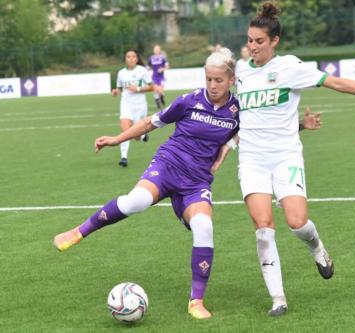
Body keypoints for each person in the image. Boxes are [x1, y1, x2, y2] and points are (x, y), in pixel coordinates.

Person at [212, 2, 355, 317]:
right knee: (263, 227)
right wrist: (223, 148)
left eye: (260, 41)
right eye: (249, 40)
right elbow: (238, 115)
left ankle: (317, 248)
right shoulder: (241, 72)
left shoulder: (290, 67)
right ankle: (278, 299)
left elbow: (336, 83)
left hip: (285, 155)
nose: (253, 47)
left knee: (297, 222)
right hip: (252, 160)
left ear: (274, 41)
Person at [53, 48, 241, 320]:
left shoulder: (237, 111)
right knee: (136, 201)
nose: (212, 85)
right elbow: (149, 124)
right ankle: (79, 231)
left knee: (204, 226)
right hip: (168, 165)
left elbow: (258, 128)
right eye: (208, 79)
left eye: (218, 80)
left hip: (197, 180)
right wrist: (118, 139)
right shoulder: (187, 101)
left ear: (231, 79)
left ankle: (196, 301)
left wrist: (228, 146)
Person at [112, 49, 153, 167]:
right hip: (126, 104)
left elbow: (152, 87)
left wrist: (138, 89)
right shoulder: (121, 73)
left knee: (136, 136)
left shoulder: (142, 71)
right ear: (125, 59)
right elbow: (119, 88)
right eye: (128, 57)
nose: (130, 59)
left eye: (133, 56)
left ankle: (143, 135)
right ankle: (123, 157)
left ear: (137, 58)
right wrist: (116, 91)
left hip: (140, 106)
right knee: (125, 131)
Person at [148, 44, 170, 110]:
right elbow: (148, 66)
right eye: (155, 49)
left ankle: (162, 97)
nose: (156, 50)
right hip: (154, 76)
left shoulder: (163, 58)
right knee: (155, 90)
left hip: (161, 77)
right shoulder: (151, 58)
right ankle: (158, 104)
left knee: (161, 91)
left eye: (158, 49)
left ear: (159, 50)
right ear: (153, 50)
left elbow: (167, 66)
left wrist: (162, 69)